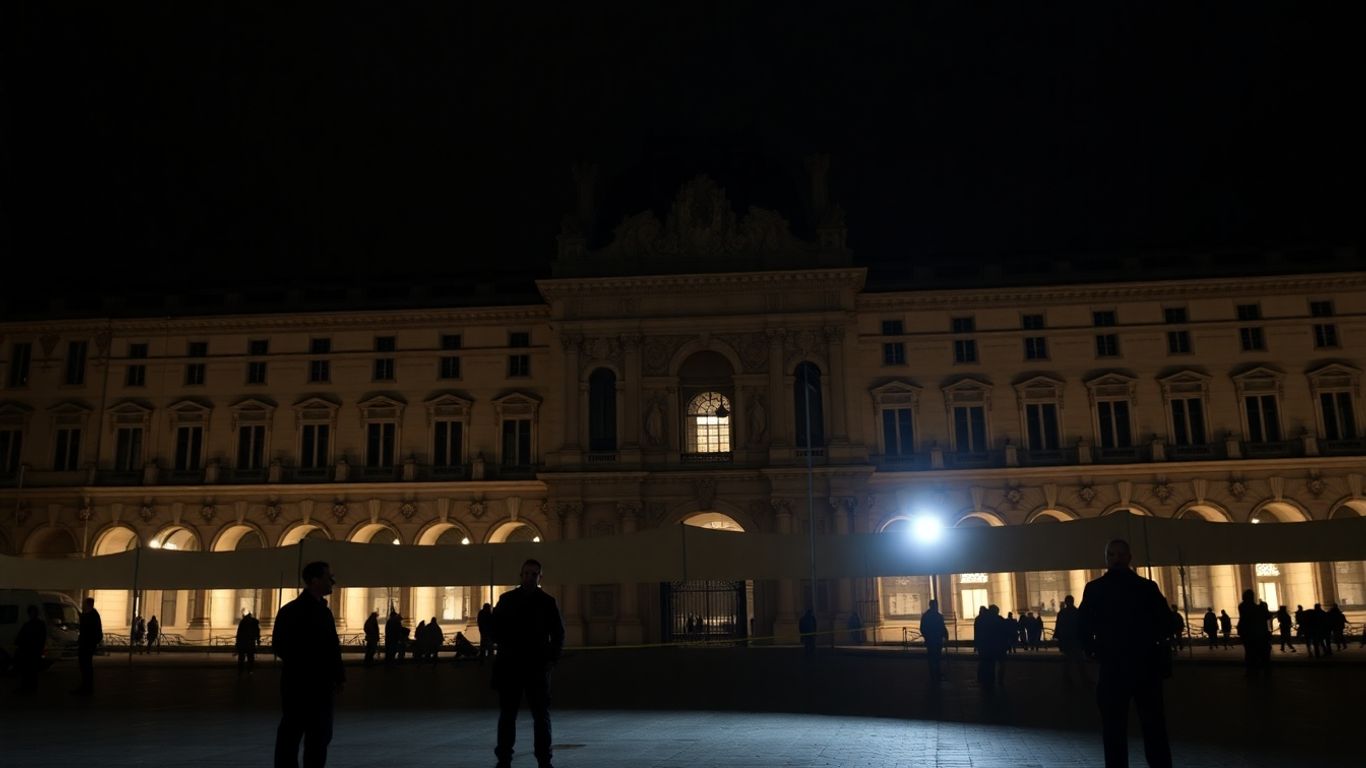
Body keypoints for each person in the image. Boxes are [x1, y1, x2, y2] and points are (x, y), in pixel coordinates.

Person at [1078, 539, 1173, 768]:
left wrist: (1092, 649)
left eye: (1117, 554)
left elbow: (1082, 625)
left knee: (1113, 730)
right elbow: (1167, 622)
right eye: (1113, 554)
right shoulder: (1148, 587)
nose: (1116, 558)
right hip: (1146, 666)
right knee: (1154, 728)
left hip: (1113, 667)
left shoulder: (1095, 588)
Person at [491, 558, 566, 768]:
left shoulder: (547, 602)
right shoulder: (506, 600)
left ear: (540, 577)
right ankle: (504, 759)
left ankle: (544, 759)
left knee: (540, 716)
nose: (529, 577)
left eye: (534, 574)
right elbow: (495, 631)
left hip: (536, 666)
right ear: (521, 575)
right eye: (526, 573)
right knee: (508, 716)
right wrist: (489, 624)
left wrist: (551, 659)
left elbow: (559, 634)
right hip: (511, 666)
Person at [272, 561, 344, 768]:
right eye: (328, 577)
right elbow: (281, 645)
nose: (332, 581)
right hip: (304, 683)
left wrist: (338, 676)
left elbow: (332, 647)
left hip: (313, 683)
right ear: (314, 581)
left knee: (316, 736)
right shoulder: (294, 611)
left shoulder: (316, 610)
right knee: (298, 735)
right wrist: (314, 667)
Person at [1054, 594, 1088, 684]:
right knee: (1079, 661)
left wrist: (1059, 640)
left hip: (1067, 640)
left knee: (1068, 661)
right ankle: (1083, 678)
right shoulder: (1077, 612)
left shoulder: (1061, 613)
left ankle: (1067, 679)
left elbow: (1058, 627)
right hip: (1075, 640)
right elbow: (1082, 627)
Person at [72, 596, 102, 695]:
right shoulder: (92, 615)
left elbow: (89, 630)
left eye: (84, 604)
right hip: (87, 644)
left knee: (86, 666)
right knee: (85, 666)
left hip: (87, 645)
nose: (83, 605)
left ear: (88, 605)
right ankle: (86, 687)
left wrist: (82, 618)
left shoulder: (92, 616)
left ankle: (87, 688)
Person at [13, 604, 46, 695]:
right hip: (32, 651)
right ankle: (31, 688)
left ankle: (27, 688)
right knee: (31, 671)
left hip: (28, 651)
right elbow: (42, 639)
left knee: (27, 671)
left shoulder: (29, 625)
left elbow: (20, 638)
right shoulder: (39, 624)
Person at [1237, 590, 1272, 674]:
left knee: (1249, 651)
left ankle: (1251, 669)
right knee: (1260, 651)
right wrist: (1263, 607)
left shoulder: (1242, 606)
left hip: (1246, 632)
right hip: (1256, 633)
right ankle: (1261, 669)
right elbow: (1265, 616)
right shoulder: (1254, 607)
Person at [919, 599, 948, 683]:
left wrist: (927, 637)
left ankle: (934, 674)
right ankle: (936, 673)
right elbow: (942, 627)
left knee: (933, 658)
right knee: (936, 657)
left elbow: (923, 628)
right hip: (936, 639)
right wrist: (945, 635)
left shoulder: (926, 616)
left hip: (931, 640)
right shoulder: (938, 616)